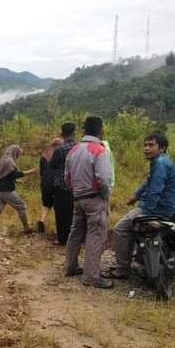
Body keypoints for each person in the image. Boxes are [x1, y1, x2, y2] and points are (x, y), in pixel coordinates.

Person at [105, 133, 175, 280]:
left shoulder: (160, 163)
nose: (146, 148)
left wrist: (145, 214)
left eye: (151, 145)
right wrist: (135, 196)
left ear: (162, 148)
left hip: (157, 209)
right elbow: (148, 183)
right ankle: (138, 258)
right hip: (168, 207)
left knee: (120, 229)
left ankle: (122, 269)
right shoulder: (163, 161)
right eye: (145, 145)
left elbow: (155, 191)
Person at [64, 116, 114, 289]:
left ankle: (70, 267)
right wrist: (105, 195)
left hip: (78, 199)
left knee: (75, 233)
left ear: (84, 130)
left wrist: (76, 191)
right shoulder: (100, 150)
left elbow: (67, 177)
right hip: (94, 198)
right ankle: (91, 277)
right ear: (100, 130)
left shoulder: (73, 150)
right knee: (96, 235)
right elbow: (105, 179)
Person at [0, 145, 37, 235]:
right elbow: (14, 173)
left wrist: (16, 181)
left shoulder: (3, 159)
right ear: (15, 152)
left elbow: (4, 175)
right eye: (19, 153)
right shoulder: (9, 161)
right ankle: (27, 228)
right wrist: (31, 172)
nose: (19, 155)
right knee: (21, 206)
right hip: (6, 190)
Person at [48, 122, 77, 245]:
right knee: (75, 213)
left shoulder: (59, 149)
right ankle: (76, 238)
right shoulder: (79, 147)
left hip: (61, 184)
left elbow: (52, 166)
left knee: (61, 213)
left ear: (61, 133)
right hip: (77, 184)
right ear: (74, 133)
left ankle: (62, 239)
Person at [38, 137, 64, 233]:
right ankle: (59, 228)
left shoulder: (44, 155)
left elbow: (41, 172)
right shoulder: (60, 154)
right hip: (56, 181)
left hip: (45, 181)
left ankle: (42, 220)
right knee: (58, 205)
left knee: (46, 203)